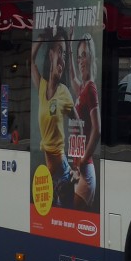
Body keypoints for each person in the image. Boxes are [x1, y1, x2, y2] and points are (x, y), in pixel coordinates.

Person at [31, 27, 76, 206]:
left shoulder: (64, 93)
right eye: (59, 52)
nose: (62, 60)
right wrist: (42, 38)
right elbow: (31, 61)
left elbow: (80, 124)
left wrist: (77, 164)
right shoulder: (42, 87)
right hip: (50, 173)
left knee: (64, 216)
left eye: (64, 55)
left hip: (63, 175)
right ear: (50, 55)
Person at [71, 35, 101, 210]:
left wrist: (83, 160)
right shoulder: (82, 88)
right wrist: (69, 42)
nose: (81, 60)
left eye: (84, 55)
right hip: (80, 170)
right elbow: (72, 74)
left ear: (91, 56)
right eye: (79, 56)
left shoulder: (90, 89)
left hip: (86, 171)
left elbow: (97, 129)